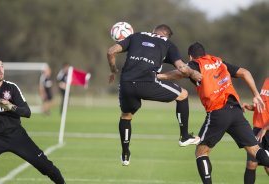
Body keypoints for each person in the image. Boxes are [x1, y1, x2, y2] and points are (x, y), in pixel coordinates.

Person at [157, 42, 269, 184]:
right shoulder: (218, 61)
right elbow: (245, 72)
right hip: (236, 111)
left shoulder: (195, 64)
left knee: (201, 152)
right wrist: (255, 94)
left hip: (218, 112)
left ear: (190, 56)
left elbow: (181, 72)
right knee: (255, 150)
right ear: (205, 53)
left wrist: (159, 76)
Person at [107, 24, 202, 166]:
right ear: (167, 35)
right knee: (183, 95)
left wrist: (114, 70)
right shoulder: (168, 44)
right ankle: (184, 136)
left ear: (153, 31)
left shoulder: (136, 36)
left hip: (126, 84)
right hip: (147, 83)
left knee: (126, 116)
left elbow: (111, 51)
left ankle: (125, 154)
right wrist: (194, 73)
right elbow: (182, 68)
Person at [0, 59, 65, 183]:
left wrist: (11, 107)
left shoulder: (11, 88)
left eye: (2, 66)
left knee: (46, 166)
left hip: (16, 135)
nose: (0, 69)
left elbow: (27, 112)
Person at [243, 77, 269, 184]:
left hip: (265, 129)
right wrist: (251, 107)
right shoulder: (267, 80)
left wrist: (265, 128)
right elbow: (264, 104)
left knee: (267, 167)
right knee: (251, 163)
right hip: (258, 128)